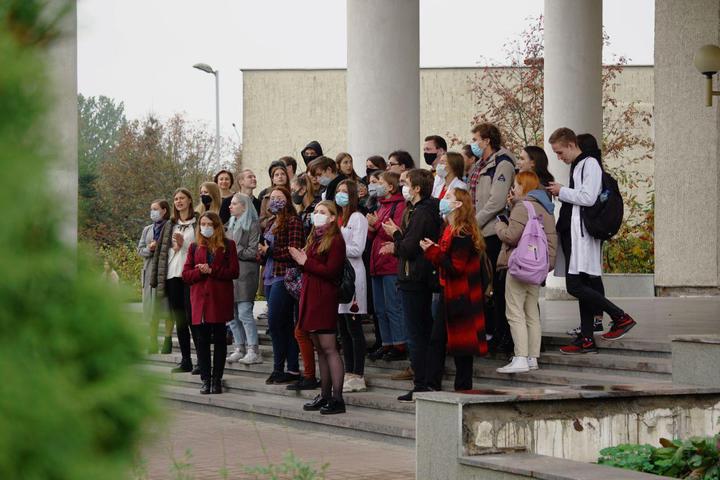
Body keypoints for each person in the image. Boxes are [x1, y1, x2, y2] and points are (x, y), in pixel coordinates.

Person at [546, 127, 637, 354]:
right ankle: (587, 338)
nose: (559, 157)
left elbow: (588, 197)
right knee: (583, 285)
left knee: (575, 285)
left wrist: (562, 191)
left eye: (559, 152)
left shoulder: (589, 164)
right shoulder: (580, 165)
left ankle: (620, 316)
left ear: (570, 144)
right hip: (576, 233)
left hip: (582, 235)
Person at [382, 169, 442, 402]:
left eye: (406, 183)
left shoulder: (422, 212)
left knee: (416, 334)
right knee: (420, 331)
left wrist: (396, 236)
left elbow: (410, 247)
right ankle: (425, 381)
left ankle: (422, 383)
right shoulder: (418, 210)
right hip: (414, 276)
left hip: (416, 277)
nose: (402, 186)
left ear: (417, 188)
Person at [420, 188, 488, 391]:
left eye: (448, 197)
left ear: (458, 204)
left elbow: (456, 267)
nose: (443, 199)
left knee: (462, 346)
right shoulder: (449, 229)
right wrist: (435, 250)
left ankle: (462, 388)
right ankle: (431, 384)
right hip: (450, 292)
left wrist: (433, 252)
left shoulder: (462, 233)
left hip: (462, 294)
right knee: (438, 340)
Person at [494, 172, 557, 373]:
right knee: (531, 313)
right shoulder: (546, 208)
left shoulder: (523, 207)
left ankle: (520, 356)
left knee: (514, 312)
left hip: (520, 266)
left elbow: (511, 236)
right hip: (537, 267)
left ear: (523, 186)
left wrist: (500, 225)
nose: (513, 189)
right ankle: (532, 357)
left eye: (516, 185)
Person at [289, 201, 347, 415]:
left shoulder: (336, 240)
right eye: (315, 212)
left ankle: (338, 398)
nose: (317, 215)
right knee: (320, 350)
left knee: (329, 348)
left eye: (322, 212)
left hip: (324, 297)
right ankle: (324, 394)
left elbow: (331, 271)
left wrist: (305, 262)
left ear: (333, 217)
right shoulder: (315, 237)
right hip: (310, 295)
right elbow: (309, 265)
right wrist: (299, 258)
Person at [469, 122, 517, 353]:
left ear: (487, 140)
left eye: (477, 139)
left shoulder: (502, 162)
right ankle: (493, 332)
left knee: (498, 288)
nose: (474, 144)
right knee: (486, 288)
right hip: (480, 232)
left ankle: (505, 335)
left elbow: (496, 201)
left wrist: (474, 223)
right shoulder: (479, 165)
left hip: (492, 231)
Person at [182, 212, 239, 394]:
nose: (205, 227)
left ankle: (217, 379)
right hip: (200, 301)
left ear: (216, 226)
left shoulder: (228, 245)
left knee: (220, 341)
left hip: (219, 299)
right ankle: (206, 379)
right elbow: (186, 274)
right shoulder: (193, 247)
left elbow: (233, 272)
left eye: (209, 224)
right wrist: (201, 272)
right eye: (202, 224)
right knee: (202, 341)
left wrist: (212, 270)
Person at [151, 188, 199, 373]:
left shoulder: (197, 222)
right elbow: (162, 253)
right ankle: (186, 360)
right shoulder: (170, 225)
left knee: (193, 318)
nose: (179, 201)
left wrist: (184, 244)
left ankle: (200, 361)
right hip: (172, 274)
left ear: (189, 200)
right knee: (179, 319)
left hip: (191, 275)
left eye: (182, 198)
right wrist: (157, 276)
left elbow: (202, 249)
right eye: (176, 199)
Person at [258, 186, 303, 383]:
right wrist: (261, 253)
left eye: (279, 197)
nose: (275, 200)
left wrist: (270, 252)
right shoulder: (269, 223)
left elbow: (294, 251)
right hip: (268, 275)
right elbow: (264, 253)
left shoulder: (293, 221)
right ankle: (290, 369)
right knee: (281, 325)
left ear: (287, 199)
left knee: (276, 323)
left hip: (284, 276)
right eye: (272, 198)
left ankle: (280, 367)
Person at [367, 171, 407, 364]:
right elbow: (375, 234)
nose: (376, 186)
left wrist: (378, 225)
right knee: (380, 309)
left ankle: (400, 344)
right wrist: (372, 227)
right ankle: (387, 342)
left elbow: (396, 233)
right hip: (377, 263)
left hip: (390, 264)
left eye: (380, 182)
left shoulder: (399, 206)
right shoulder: (381, 205)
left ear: (390, 187)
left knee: (393, 306)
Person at [335, 180, 369, 393]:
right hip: (338, 276)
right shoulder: (338, 218)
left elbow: (357, 248)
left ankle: (358, 373)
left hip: (353, 274)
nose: (340, 195)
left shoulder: (358, 218)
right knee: (343, 330)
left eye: (345, 192)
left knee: (354, 328)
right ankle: (348, 371)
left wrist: (335, 246)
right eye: (338, 191)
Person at [226, 192, 263, 365]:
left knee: (244, 313)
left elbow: (252, 252)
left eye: (234, 203)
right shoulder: (230, 225)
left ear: (244, 206)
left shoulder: (253, 225)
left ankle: (253, 350)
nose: (230, 206)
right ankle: (239, 347)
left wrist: (234, 249)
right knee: (231, 315)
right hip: (231, 275)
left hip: (246, 274)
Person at [138, 199, 170, 353]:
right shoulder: (147, 229)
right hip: (150, 271)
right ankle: (152, 341)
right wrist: (149, 250)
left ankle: (167, 341)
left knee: (166, 308)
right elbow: (139, 250)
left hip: (165, 271)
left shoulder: (170, 226)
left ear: (164, 210)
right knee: (151, 310)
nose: (153, 212)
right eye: (151, 209)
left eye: (156, 209)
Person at [259, 161, 290, 228]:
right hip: (271, 231)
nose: (280, 177)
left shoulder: (292, 195)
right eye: (277, 175)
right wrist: (275, 222)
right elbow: (262, 221)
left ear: (287, 177)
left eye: (283, 174)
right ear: (272, 179)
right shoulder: (266, 198)